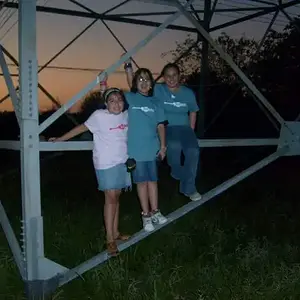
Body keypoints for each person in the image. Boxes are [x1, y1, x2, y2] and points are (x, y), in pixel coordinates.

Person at [49, 87, 131, 256]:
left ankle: (116, 232)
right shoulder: (99, 116)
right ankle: (109, 240)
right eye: (112, 101)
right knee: (111, 199)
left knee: (117, 197)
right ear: (106, 104)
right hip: (106, 164)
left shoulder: (126, 115)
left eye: (119, 100)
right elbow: (80, 128)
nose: (116, 103)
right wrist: (60, 139)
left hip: (122, 162)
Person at [124, 60, 202, 202]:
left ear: (179, 76)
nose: (171, 78)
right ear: (163, 77)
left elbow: (193, 111)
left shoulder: (188, 93)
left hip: (185, 128)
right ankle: (177, 171)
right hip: (167, 127)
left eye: (174, 75)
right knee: (174, 146)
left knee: (194, 151)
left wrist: (191, 131)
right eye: (167, 75)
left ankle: (188, 188)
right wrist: (128, 68)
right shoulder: (158, 90)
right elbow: (135, 87)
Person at [125, 67, 168, 232]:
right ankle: (146, 215)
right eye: (140, 79)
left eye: (147, 79)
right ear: (135, 83)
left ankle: (156, 211)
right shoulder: (130, 98)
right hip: (135, 151)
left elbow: (161, 125)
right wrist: (128, 68)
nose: (143, 82)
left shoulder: (156, 102)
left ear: (151, 84)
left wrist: (163, 146)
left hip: (152, 149)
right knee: (141, 183)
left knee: (153, 181)